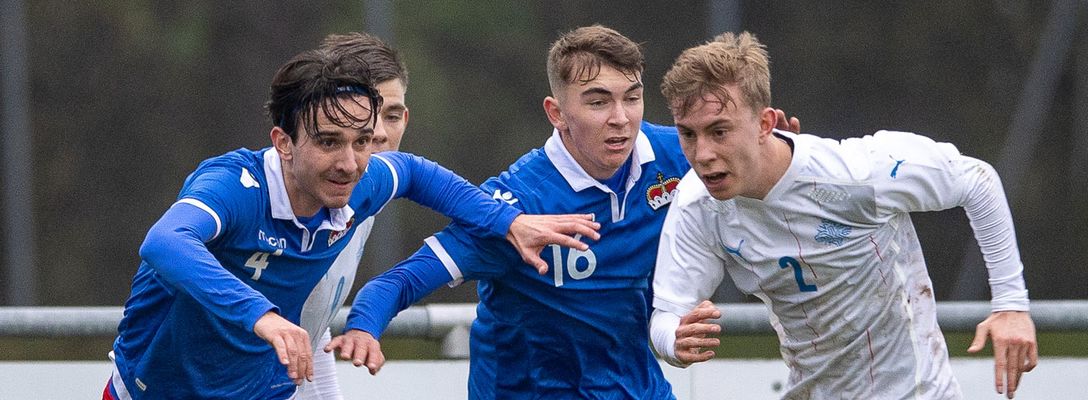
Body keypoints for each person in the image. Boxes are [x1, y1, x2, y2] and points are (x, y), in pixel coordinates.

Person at [324, 25, 797, 399]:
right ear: (556, 112)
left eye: (631, 97)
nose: (621, 118)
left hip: (639, 389)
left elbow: (756, 168)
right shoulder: (518, 207)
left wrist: (773, 159)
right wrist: (364, 325)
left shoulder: (678, 155)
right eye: (598, 101)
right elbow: (399, 282)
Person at [103, 46, 598, 400]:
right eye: (328, 142)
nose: (350, 163)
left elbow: (413, 172)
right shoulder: (236, 185)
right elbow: (165, 241)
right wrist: (264, 317)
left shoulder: (362, 180)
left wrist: (509, 223)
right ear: (283, 142)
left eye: (361, 141)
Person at [649, 32, 1038, 399]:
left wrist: (1011, 305)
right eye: (688, 135)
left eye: (719, 132)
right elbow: (666, 317)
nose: (702, 154)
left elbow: (977, 180)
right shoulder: (698, 204)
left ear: (764, 124)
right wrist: (675, 341)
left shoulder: (854, 174)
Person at [292, 32, 412, 400]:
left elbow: (308, 328)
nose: (378, 133)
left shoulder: (361, 193)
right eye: (361, 117)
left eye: (392, 116)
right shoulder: (295, 196)